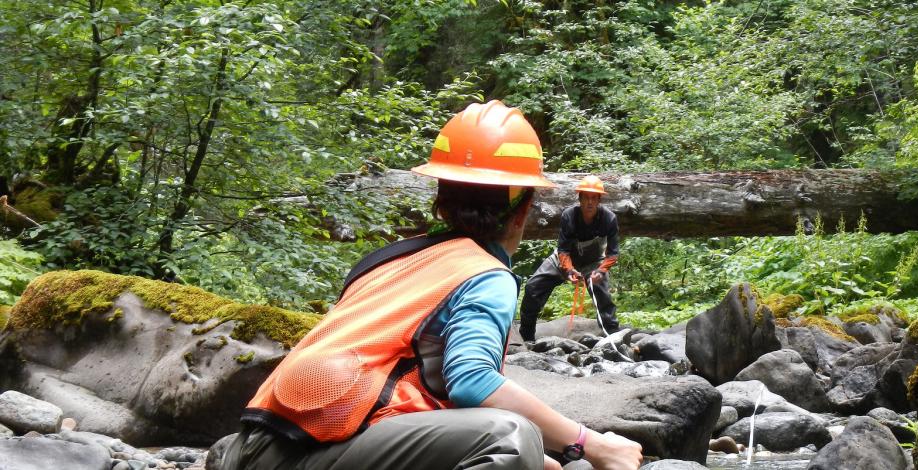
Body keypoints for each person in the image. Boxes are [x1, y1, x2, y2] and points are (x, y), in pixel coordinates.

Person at [219, 101, 643, 470]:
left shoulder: (393, 258)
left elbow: (405, 381)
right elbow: (471, 382)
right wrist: (593, 445)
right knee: (510, 438)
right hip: (304, 452)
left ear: (440, 199)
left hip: (253, 446)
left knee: (525, 447)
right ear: (523, 210)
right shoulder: (485, 274)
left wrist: (542, 458)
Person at [518, 175, 620, 342]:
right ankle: (526, 337)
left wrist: (601, 271)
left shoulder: (609, 219)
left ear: (599, 200)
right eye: (586, 197)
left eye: (594, 198)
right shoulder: (569, 215)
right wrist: (569, 269)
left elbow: (613, 253)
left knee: (603, 295)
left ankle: (614, 337)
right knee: (532, 287)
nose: (590, 202)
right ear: (579, 198)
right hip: (564, 259)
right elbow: (563, 249)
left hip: (593, 262)